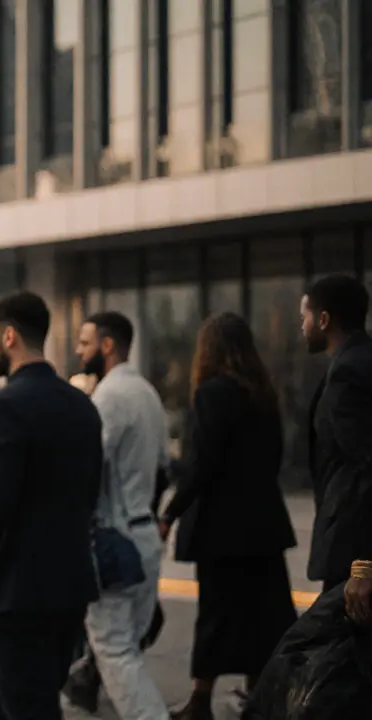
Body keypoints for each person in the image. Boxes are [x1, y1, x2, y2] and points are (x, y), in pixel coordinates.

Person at [0, 290, 102, 720]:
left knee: (26, 707)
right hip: (70, 590)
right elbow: (91, 494)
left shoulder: (5, 408)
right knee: (19, 704)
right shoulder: (82, 406)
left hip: (18, 595)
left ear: (9, 337)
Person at [158, 313, 298, 720]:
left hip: (221, 526)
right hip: (264, 522)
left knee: (216, 612)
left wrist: (170, 512)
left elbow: (201, 463)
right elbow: (276, 455)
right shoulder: (264, 394)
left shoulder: (211, 394)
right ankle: (259, 695)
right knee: (264, 613)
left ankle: (200, 700)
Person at [68, 312, 169, 719]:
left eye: (85, 342)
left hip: (115, 541)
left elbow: (87, 465)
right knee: (127, 651)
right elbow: (164, 469)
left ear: (107, 345)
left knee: (114, 651)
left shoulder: (108, 397)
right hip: (145, 536)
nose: (79, 350)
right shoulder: (148, 394)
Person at [299, 274, 372, 593]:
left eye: (305, 317)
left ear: (324, 320)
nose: (302, 326)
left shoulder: (347, 372)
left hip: (353, 555)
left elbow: (366, 471)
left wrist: (364, 566)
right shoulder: (359, 361)